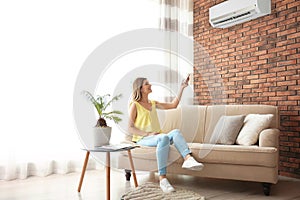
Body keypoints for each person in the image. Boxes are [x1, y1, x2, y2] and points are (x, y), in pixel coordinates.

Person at [128, 77, 204, 193]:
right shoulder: (135, 105)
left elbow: (173, 105)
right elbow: (130, 128)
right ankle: (162, 179)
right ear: (141, 88)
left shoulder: (153, 103)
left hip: (157, 136)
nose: (150, 85)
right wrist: (148, 133)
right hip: (143, 138)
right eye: (147, 84)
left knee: (176, 132)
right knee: (163, 137)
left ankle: (188, 158)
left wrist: (182, 88)